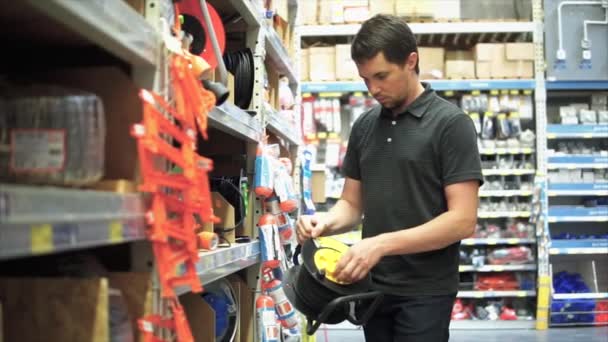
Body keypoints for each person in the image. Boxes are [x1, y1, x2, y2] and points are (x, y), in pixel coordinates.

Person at [296, 14, 483, 342]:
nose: (373, 89)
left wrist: (380, 245)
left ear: (411, 61)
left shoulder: (451, 125)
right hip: (372, 288)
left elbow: (463, 221)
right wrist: (324, 223)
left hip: (425, 292)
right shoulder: (365, 127)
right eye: (366, 79)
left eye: (381, 76)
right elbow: (351, 205)